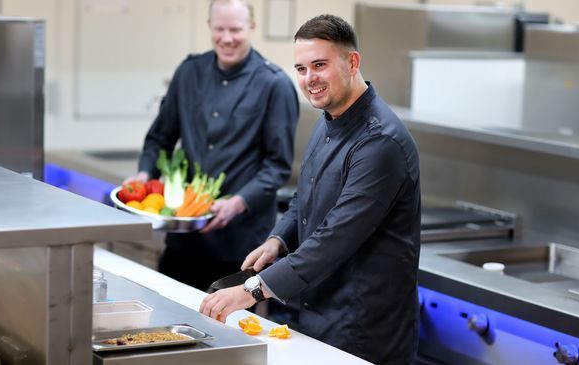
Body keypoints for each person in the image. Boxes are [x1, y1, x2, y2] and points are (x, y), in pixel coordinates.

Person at [200, 14, 421, 365]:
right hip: (316, 315)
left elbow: (335, 238)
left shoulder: (380, 142)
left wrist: (251, 290)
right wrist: (279, 240)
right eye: (301, 69)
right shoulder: (328, 119)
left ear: (352, 62)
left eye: (319, 65)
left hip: (363, 330)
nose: (309, 79)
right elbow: (306, 195)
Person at [132, 0, 299, 291]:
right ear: (209, 27)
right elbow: (159, 138)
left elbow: (277, 167)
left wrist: (237, 203)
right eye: (219, 29)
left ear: (252, 27)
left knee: (230, 333)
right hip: (183, 238)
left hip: (241, 249)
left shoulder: (275, 84)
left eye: (235, 29)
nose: (227, 38)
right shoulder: (188, 73)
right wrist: (145, 176)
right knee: (168, 325)